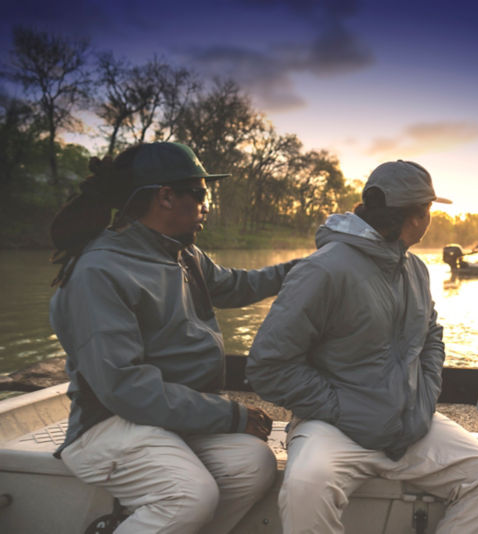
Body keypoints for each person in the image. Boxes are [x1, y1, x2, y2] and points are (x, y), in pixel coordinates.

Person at [246, 160, 478, 534]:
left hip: (410, 424)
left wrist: (424, 398)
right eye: (429, 211)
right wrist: (345, 409)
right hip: (334, 425)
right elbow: (268, 366)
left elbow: (431, 337)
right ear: (419, 218)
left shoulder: (416, 270)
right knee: (307, 486)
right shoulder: (323, 270)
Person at [49, 142, 297, 534]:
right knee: (190, 495)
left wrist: (306, 268)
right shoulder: (100, 271)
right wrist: (230, 414)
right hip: (110, 425)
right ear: (165, 196)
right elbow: (126, 388)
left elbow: (237, 285)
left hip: (169, 421)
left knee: (254, 464)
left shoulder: (183, 255)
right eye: (201, 193)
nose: (207, 205)